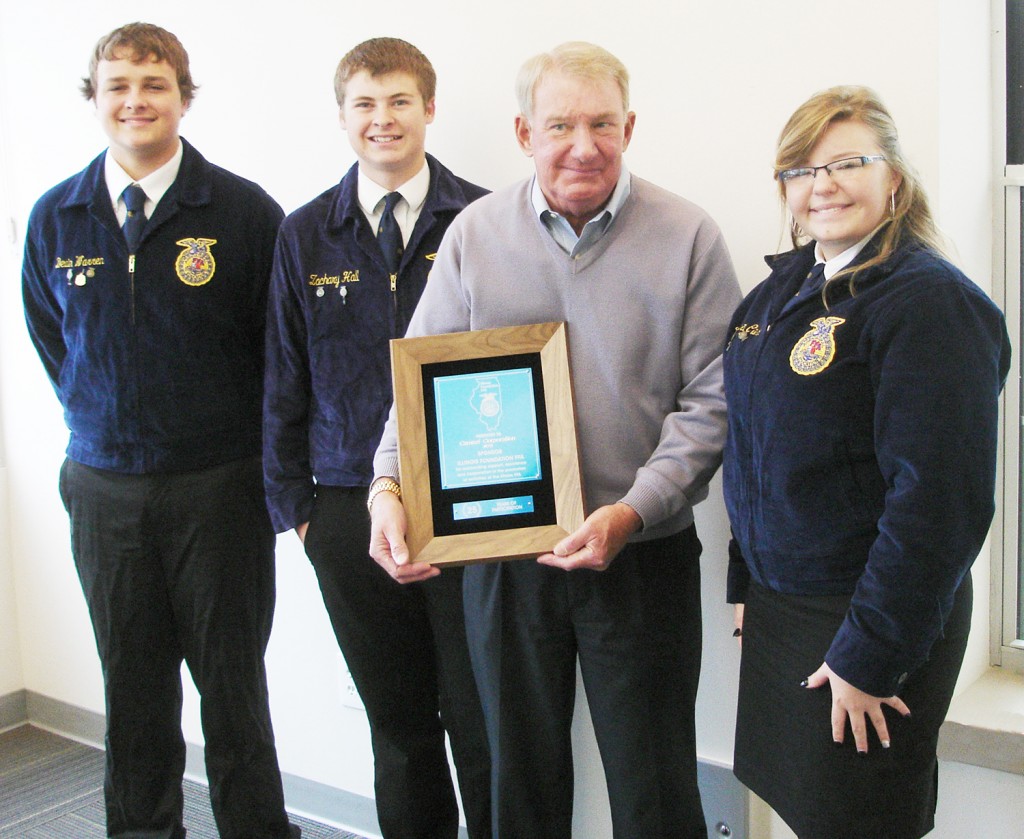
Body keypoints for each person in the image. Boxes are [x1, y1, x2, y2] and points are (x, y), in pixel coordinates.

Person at [368, 41, 741, 839]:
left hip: (643, 555)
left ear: (630, 127)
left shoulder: (689, 237)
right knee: (518, 783)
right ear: (522, 132)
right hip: (506, 560)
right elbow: (422, 386)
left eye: (602, 122)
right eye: (560, 123)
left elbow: (714, 402)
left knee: (655, 785)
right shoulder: (474, 234)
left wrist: (633, 510)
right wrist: (387, 488)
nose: (583, 143)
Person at [21, 22, 298, 839]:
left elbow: (277, 352)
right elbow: (53, 342)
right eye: (118, 86)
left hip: (219, 488)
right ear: (96, 98)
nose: (135, 101)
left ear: (183, 96)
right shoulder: (55, 218)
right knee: (133, 689)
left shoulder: (244, 213)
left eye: (154, 84)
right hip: (104, 489)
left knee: (233, 687)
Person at [722, 85, 1011, 839]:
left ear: (895, 178)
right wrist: (744, 578)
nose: (823, 185)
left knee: (862, 821)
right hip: (786, 609)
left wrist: (871, 654)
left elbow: (939, 503)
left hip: (870, 617)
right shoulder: (775, 294)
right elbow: (749, 445)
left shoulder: (928, 303)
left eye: (848, 162)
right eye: (802, 169)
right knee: (807, 813)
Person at [262, 37, 491, 839]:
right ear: (342, 117)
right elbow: (282, 377)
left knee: (483, 717)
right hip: (345, 511)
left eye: (399, 100)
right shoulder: (304, 235)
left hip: (471, 504)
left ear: (430, 108)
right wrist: (298, 509)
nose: (382, 119)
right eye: (364, 103)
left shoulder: (486, 217)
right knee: (398, 724)